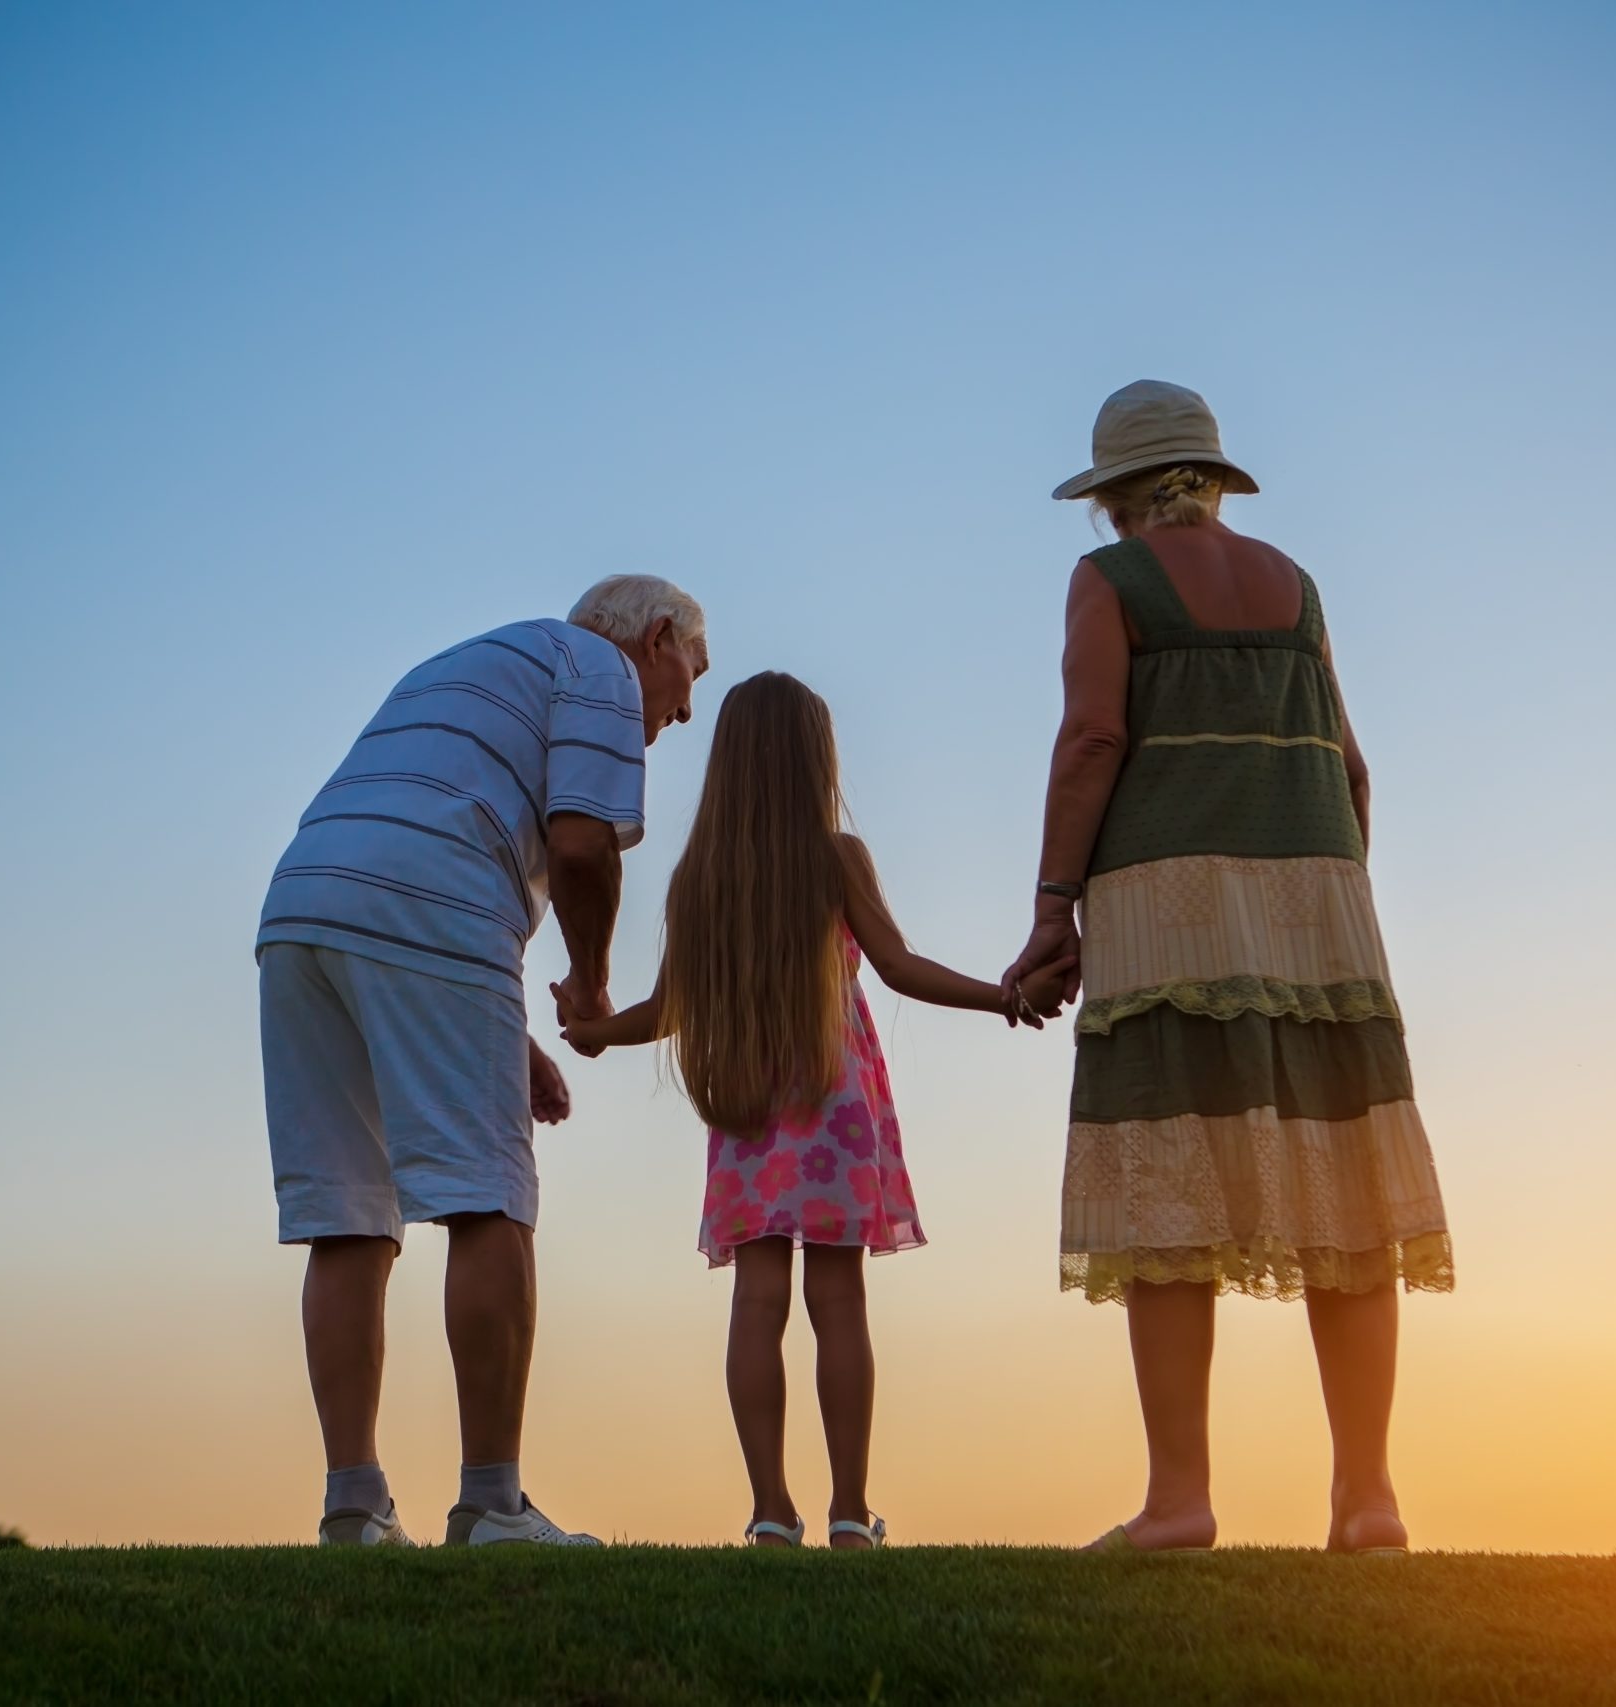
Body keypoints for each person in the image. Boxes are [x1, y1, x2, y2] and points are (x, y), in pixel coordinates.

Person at [1002, 381, 1454, 1555]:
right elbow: (1352, 769)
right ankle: (1368, 1500)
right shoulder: (1295, 584)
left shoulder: (1108, 584)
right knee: (1345, 1178)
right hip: (1317, 897)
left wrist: (1055, 907)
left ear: (1113, 499)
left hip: (1168, 901)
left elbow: (1093, 736)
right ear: (1211, 480)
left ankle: (1179, 1501)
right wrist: (1321, 896)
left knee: (1168, 1181)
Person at [256, 574, 709, 1547]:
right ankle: (493, 1504)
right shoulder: (598, 667)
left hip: (301, 909)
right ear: (658, 637)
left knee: (345, 1213)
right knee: (487, 1194)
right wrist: (588, 986)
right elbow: (582, 849)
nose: (680, 712)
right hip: (433, 906)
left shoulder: (474, 662)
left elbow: (410, 840)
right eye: (689, 678)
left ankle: (354, 1507)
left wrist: (515, 1038)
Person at [564, 672, 1063, 1549]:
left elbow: (670, 1008)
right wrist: (1003, 996)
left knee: (758, 1301)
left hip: (747, 1106)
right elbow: (900, 966)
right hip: (833, 1105)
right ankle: (846, 1511)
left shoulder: (700, 878)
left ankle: (767, 1510)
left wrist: (601, 1031)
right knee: (839, 1301)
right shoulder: (836, 858)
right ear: (811, 761)